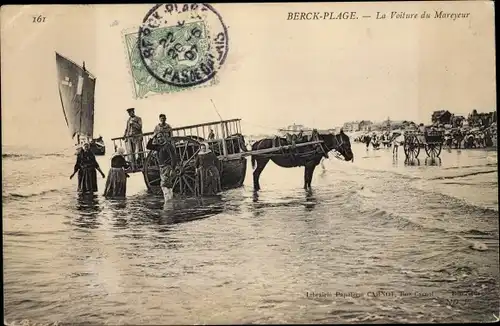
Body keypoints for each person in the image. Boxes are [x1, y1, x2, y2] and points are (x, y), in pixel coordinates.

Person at [146, 132, 176, 202]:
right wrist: (152, 137)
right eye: (158, 137)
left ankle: (168, 202)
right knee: (167, 185)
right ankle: (169, 200)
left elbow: (173, 158)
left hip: (167, 167)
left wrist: (172, 168)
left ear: (164, 137)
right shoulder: (158, 147)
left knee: (164, 185)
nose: (160, 139)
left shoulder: (168, 146)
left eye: (161, 137)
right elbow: (148, 146)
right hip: (162, 168)